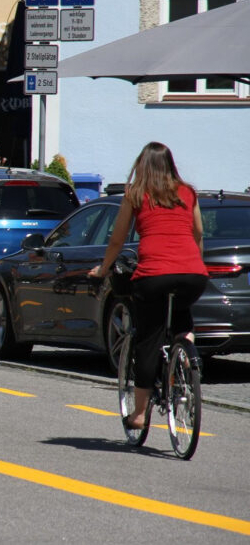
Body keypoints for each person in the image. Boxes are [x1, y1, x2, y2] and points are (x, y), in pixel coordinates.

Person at [88, 142, 207, 430]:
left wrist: (103, 269)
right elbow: (199, 232)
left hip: (154, 275)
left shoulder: (135, 194)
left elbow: (117, 240)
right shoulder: (187, 192)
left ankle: (139, 415)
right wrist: (194, 264)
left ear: (141, 166)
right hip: (193, 274)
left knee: (148, 341)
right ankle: (187, 352)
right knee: (181, 313)